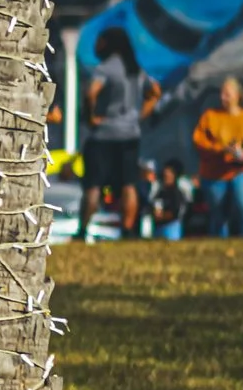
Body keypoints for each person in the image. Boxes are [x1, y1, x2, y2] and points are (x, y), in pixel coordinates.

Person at [78, 28, 159, 239]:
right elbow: (154, 92)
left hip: (103, 134)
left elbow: (90, 92)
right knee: (128, 184)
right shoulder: (135, 69)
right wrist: (139, 116)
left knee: (93, 185)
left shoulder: (106, 68)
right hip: (130, 134)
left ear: (107, 44)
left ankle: (83, 230)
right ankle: (127, 230)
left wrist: (90, 117)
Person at [192, 76, 243, 237]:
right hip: (215, 174)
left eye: (227, 94)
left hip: (242, 170)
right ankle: (219, 244)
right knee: (218, 214)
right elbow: (199, 141)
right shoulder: (210, 117)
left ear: (238, 95)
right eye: (222, 93)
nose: (223, 97)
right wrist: (220, 149)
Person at [149, 158, 188, 240]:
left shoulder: (177, 193)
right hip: (158, 227)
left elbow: (177, 212)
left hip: (171, 227)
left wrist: (163, 216)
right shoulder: (159, 191)